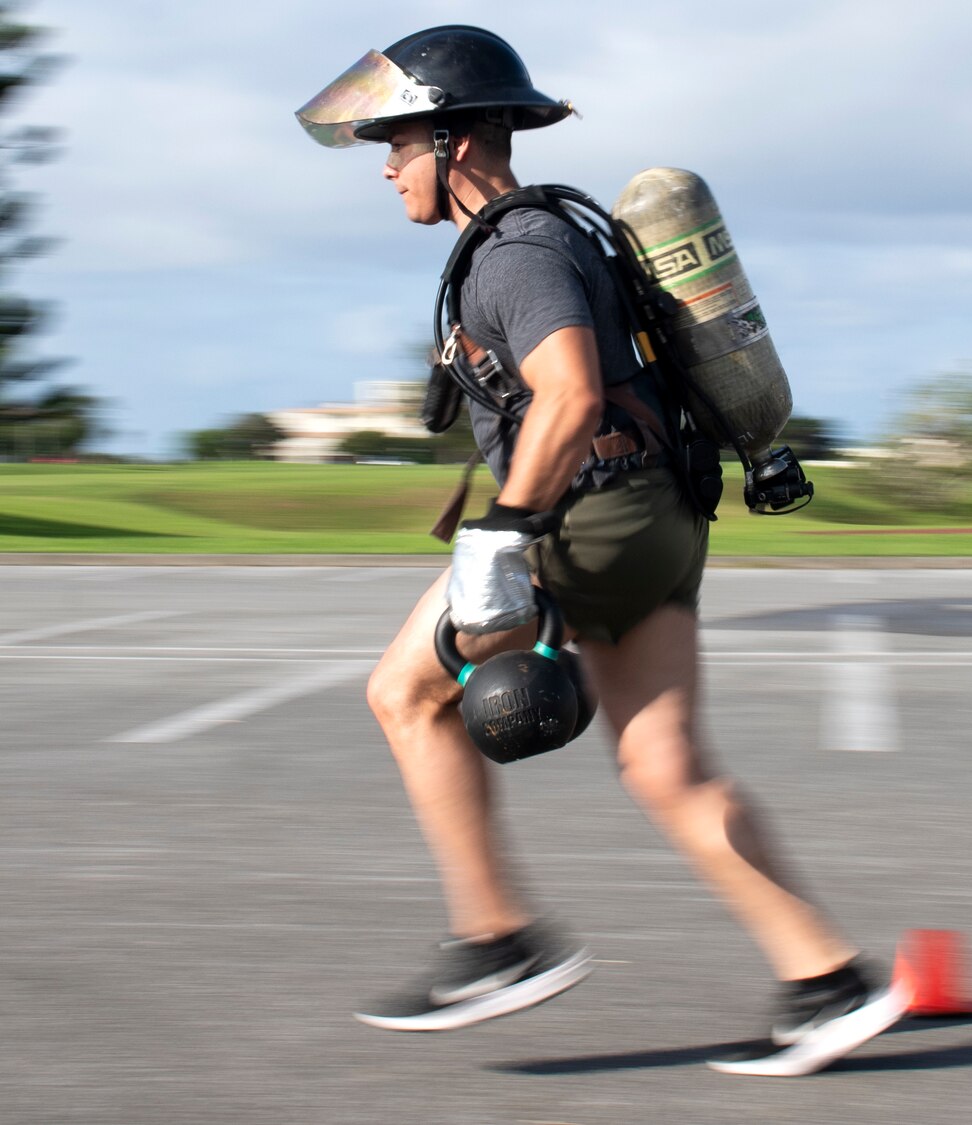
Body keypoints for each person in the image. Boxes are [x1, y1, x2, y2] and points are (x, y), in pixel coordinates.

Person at [295, 25, 907, 1077]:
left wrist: (503, 535)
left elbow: (572, 394)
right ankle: (829, 981)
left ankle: (498, 942)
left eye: (394, 143)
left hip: (586, 517)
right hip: (663, 517)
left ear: (453, 140)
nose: (385, 167)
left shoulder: (515, 251)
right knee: (665, 767)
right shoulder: (562, 235)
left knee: (402, 696)